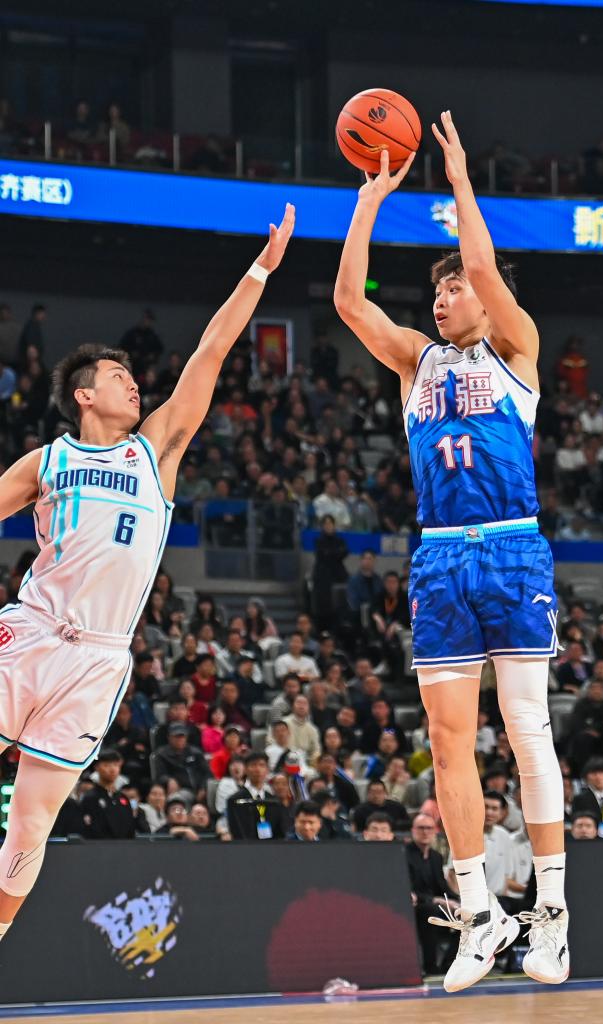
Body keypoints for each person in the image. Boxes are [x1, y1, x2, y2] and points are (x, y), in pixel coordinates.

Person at [0, 205, 294, 942]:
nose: (133, 384)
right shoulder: (48, 461)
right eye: (118, 376)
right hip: (32, 632)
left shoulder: (154, 449)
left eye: (133, 376)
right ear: (83, 394)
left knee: (31, 821)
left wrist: (260, 270)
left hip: (99, 659)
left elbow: (211, 351)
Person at [334, 113, 567, 991]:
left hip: (510, 549)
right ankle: (478, 915)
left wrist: (461, 181)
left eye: (455, 289)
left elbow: (480, 263)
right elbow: (349, 304)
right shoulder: (414, 363)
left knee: (526, 727)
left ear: (485, 296)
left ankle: (550, 915)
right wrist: (368, 203)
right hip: (438, 558)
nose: (442, 299)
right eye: (435, 292)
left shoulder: (517, 348)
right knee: (445, 740)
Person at [405, 813, 458, 976]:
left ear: (435, 831)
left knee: (467, 913)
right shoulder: (404, 853)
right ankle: (430, 966)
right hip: (415, 906)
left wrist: (457, 901)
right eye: (421, 828)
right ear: (413, 830)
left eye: (429, 828)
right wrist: (435, 900)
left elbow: (442, 887)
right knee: (430, 911)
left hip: (436, 904)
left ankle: (450, 964)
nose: (425, 832)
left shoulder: (436, 857)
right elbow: (407, 889)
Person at [80, 750, 136, 839]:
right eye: (107, 765)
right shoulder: (90, 798)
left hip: (125, 846)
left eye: (116, 765)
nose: (112, 769)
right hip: (99, 846)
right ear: (97, 767)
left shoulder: (123, 798)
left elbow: (130, 829)